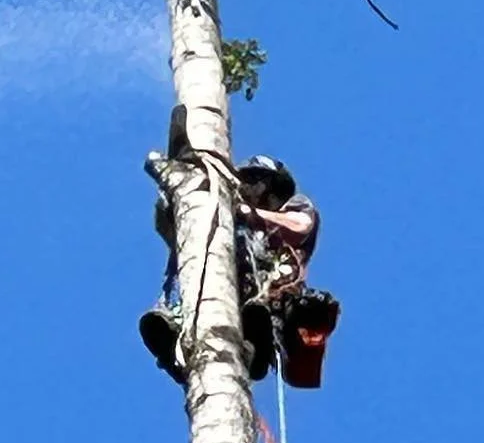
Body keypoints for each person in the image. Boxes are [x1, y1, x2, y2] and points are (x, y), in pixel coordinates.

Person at [139, 150, 339, 388]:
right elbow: (177, 236)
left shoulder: (293, 207)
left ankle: (255, 344)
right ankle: (179, 339)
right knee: (202, 256)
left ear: (268, 184)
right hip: (224, 291)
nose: (244, 187)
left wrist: (248, 214)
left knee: (245, 244)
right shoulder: (229, 222)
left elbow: (299, 227)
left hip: (269, 294)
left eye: (251, 180)